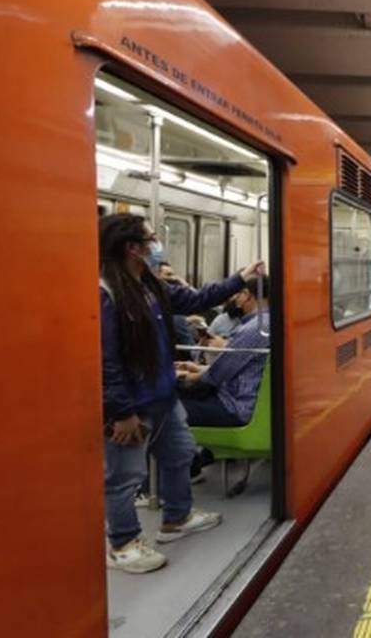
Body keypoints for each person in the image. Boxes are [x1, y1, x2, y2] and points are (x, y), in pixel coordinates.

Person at [99, 213, 264, 574]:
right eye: (152, 239)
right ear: (133, 248)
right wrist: (120, 413)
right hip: (132, 403)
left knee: (179, 454)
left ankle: (177, 517)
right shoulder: (108, 293)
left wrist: (240, 278)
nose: (157, 246)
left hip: (162, 394)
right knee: (124, 475)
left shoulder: (148, 285)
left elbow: (196, 298)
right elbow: (107, 361)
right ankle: (123, 544)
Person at [177, 276, 270, 427]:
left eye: (238, 293)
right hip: (239, 399)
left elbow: (219, 374)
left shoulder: (257, 327)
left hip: (234, 406)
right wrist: (199, 369)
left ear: (247, 295)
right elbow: (239, 367)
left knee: (169, 410)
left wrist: (188, 376)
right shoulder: (265, 323)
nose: (235, 297)